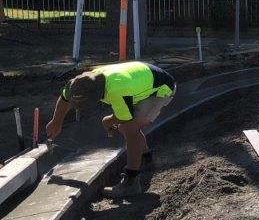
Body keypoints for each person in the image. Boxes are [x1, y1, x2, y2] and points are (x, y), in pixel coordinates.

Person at [45, 61, 177, 199]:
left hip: (161, 88)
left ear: (96, 96)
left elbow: (125, 118)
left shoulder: (116, 90)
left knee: (129, 128)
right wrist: (56, 122)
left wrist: (107, 120)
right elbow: (64, 99)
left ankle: (131, 183)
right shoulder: (77, 84)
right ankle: (146, 160)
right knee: (127, 126)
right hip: (140, 80)